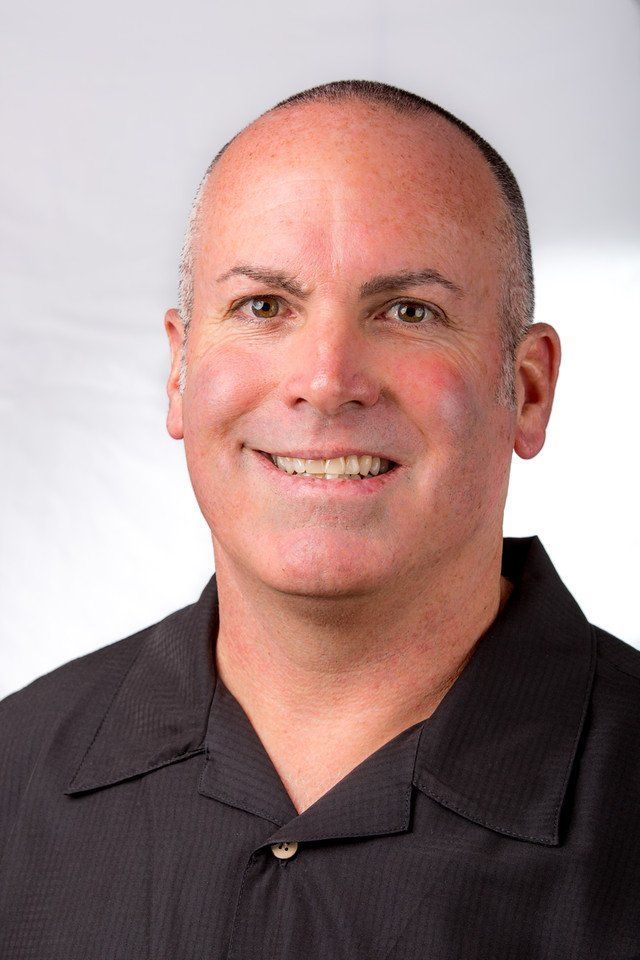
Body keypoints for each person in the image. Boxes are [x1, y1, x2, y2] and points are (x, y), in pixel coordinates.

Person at [1, 80, 638, 959]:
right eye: (264, 307)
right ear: (180, 373)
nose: (327, 378)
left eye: (409, 311)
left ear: (526, 390)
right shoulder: (11, 780)